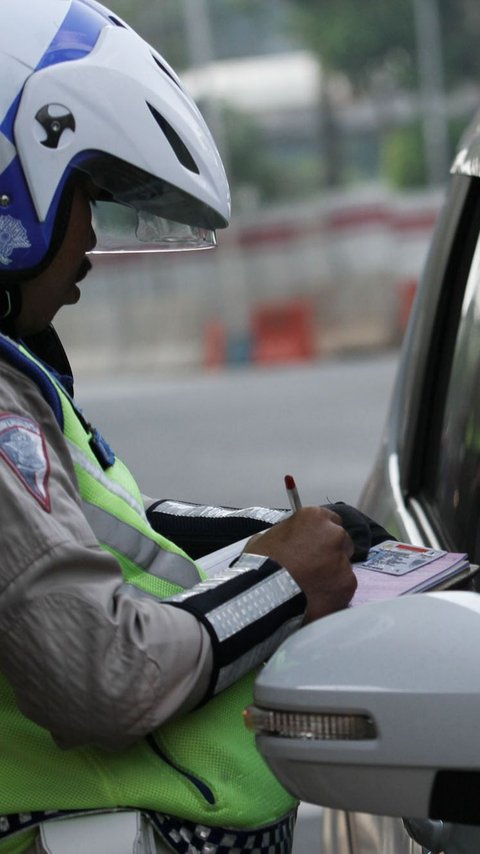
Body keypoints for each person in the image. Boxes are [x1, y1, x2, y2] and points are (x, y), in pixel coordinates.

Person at [0, 1, 379, 852]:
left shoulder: (18, 379)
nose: (91, 239)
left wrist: (268, 534)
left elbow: (99, 526)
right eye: (83, 197)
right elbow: (99, 673)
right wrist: (282, 583)